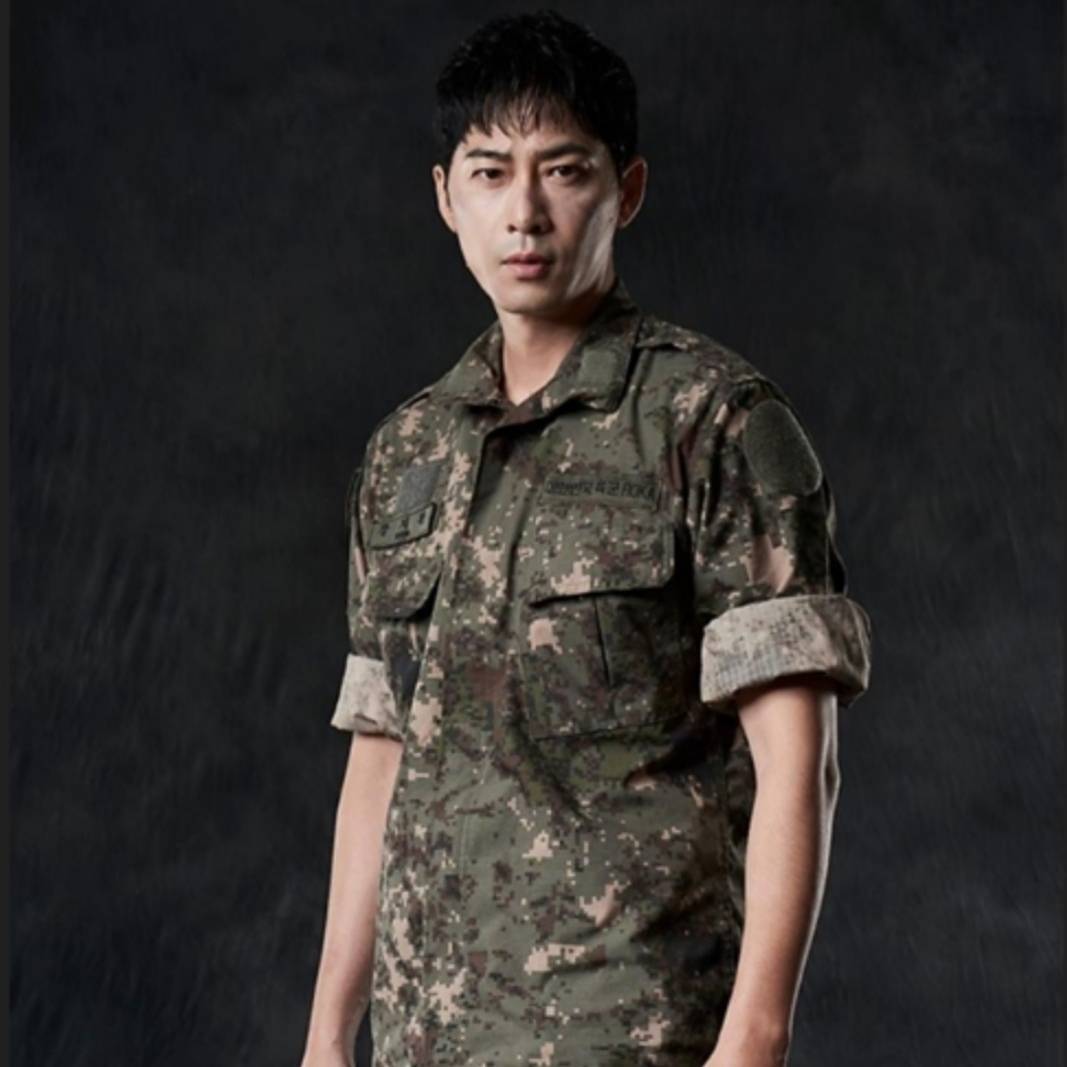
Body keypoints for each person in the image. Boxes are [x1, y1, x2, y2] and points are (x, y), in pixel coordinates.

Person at [300, 10, 873, 1067]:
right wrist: (328, 1033)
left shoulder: (713, 422)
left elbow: (799, 760)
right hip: (426, 1034)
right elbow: (380, 754)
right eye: (489, 173)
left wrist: (753, 1039)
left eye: (563, 171)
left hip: (632, 1026)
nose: (523, 213)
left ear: (627, 189)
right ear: (446, 197)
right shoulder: (405, 453)